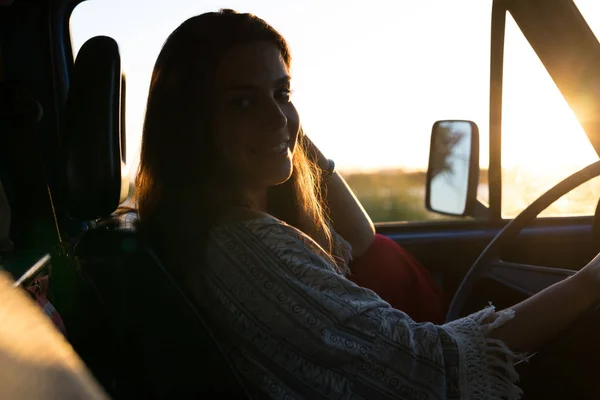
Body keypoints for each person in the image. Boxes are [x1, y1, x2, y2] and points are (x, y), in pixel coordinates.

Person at [135, 9, 600, 399]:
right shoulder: (247, 245)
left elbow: (360, 241)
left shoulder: (238, 226)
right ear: (191, 125)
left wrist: (288, 136)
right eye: (241, 103)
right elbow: (430, 368)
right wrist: (588, 281)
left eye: (283, 93)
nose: (276, 116)